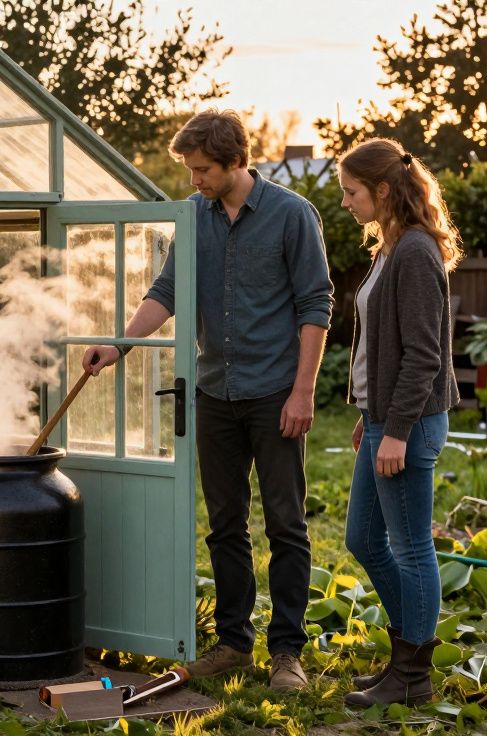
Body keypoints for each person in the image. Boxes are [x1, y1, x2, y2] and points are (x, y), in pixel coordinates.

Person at [83, 109, 333, 691]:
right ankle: (234, 643)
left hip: (275, 394)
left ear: (234, 162)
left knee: (286, 524)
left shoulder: (293, 215)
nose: (192, 180)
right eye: (190, 170)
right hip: (214, 391)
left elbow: (315, 305)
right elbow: (167, 291)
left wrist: (303, 392)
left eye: (201, 170)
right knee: (224, 525)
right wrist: (119, 344)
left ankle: (287, 653)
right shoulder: (191, 217)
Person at [337, 138, 462, 706]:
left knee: (411, 548)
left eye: (352, 191)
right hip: (384, 419)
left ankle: (412, 675)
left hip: (408, 426)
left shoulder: (414, 251)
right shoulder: (388, 248)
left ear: (383, 189)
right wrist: (372, 414)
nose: (346, 203)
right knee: (362, 537)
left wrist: (397, 430)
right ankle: (407, 648)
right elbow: (381, 349)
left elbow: (423, 355)